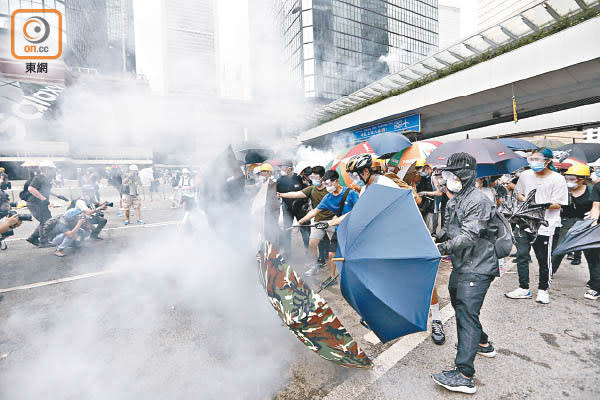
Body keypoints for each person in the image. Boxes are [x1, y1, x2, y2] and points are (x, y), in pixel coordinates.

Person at [347, 153, 446, 345]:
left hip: (408, 234)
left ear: (365, 171)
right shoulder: (365, 189)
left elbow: (403, 208)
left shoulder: (384, 184)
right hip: (387, 238)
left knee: (424, 277)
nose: (353, 179)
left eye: (355, 175)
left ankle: (436, 319)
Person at [431, 153, 498, 395]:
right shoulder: (454, 200)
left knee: (466, 313)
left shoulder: (478, 200)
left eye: (453, 175)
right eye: (447, 175)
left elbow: (469, 236)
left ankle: (464, 374)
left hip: (478, 266)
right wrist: (433, 239)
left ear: (467, 176)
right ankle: (482, 343)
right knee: (460, 303)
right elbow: (449, 231)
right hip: (461, 265)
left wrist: (440, 249)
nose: (448, 180)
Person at [505, 148, 568, 304]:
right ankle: (523, 288)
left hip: (545, 225)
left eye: (537, 159)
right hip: (524, 223)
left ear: (547, 161)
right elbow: (518, 193)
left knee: (543, 259)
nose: (533, 162)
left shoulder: (558, 179)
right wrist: (524, 200)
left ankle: (543, 289)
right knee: (521, 255)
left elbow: (558, 204)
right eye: (531, 159)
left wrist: (537, 206)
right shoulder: (525, 176)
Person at [298, 170, 359, 288]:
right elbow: (315, 211)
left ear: (336, 181)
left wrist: (332, 221)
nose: (327, 187)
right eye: (325, 184)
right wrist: (301, 221)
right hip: (339, 229)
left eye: (328, 184)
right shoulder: (328, 197)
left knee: (353, 255)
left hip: (353, 229)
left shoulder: (350, 193)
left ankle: (355, 279)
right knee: (331, 254)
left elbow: (358, 210)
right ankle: (332, 277)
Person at [278, 166, 334, 274]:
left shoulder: (329, 189)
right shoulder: (311, 189)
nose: (312, 179)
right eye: (312, 177)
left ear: (322, 177)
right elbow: (296, 194)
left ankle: (332, 269)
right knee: (315, 243)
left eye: (315, 177)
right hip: (318, 219)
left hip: (331, 220)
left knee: (333, 246)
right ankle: (318, 262)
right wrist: (281, 194)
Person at [555, 164, 599, 301]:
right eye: (567, 177)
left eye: (572, 178)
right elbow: (596, 207)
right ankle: (549, 272)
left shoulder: (591, 189)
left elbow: (595, 206)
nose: (569, 180)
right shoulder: (564, 190)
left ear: (582, 179)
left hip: (585, 224)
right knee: (561, 248)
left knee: (592, 255)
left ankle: (595, 283)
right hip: (571, 223)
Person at [25, 161, 67, 247]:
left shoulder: (46, 179)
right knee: (46, 221)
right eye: (53, 169)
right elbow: (31, 188)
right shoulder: (39, 178)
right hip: (35, 203)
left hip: (41, 204)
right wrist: (43, 198)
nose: (54, 171)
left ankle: (33, 238)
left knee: (46, 220)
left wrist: (58, 195)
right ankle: (43, 242)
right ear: (47, 169)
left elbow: (46, 190)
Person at [276, 160, 309, 256]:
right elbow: (275, 193)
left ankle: (308, 249)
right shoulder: (280, 180)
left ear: (289, 168)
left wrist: (306, 204)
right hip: (287, 208)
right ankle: (287, 251)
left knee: (305, 228)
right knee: (287, 229)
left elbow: (307, 191)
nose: (281, 169)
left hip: (301, 207)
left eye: (282, 167)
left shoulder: (298, 178)